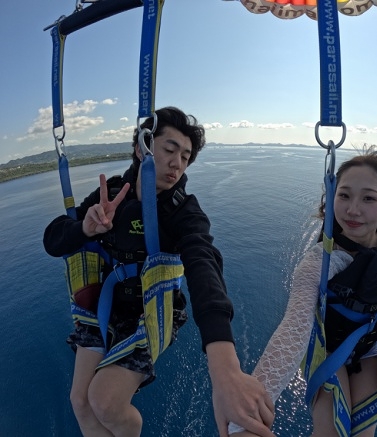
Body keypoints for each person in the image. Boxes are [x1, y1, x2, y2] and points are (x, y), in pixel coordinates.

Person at [43, 106, 274, 437]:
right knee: (80, 400)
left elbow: (204, 265)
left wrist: (224, 364)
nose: (177, 163)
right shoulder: (112, 194)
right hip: (104, 309)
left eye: (185, 157)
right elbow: (53, 240)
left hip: (152, 312)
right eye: (169, 149)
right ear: (142, 149)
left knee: (105, 401)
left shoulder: (182, 211)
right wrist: (84, 228)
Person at [229, 145, 377, 436]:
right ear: (332, 198)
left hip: (369, 351)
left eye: (368, 198)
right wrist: (250, 411)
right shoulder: (320, 261)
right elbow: (294, 329)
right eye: (344, 196)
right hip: (326, 350)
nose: (353, 209)